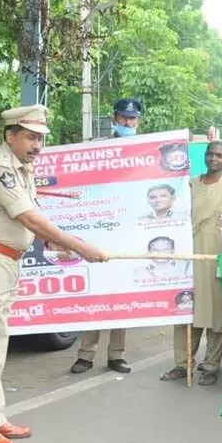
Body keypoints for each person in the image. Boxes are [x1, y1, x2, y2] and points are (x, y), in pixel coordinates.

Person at [0, 104, 107, 443]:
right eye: (29, 137)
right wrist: (80, 246)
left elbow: (32, 220)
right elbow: (30, 219)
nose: (36, 145)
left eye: (40, 138)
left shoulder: (23, 168)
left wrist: (56, 243)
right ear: (10, 136)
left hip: (5, 260)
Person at [160, 141, 222, 386]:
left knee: (216, 314)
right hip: (189, 256)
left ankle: (210, 365)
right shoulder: (191, 184)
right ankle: (182, 363)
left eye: (219, 155)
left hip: (217, 256)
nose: (214, 159)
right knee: (185, 310)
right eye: (210, 154)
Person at [71, 98, 142, 376]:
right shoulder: (99, 149)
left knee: (120, 296)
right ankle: (85, 355)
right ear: (114, 119)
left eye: (132, 119)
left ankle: (116, 355)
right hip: (99, 229)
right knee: (96, 294)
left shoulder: (143, 151)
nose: (127, 123)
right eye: (123, 118)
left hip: (128, 233)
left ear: (138, 121)